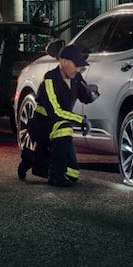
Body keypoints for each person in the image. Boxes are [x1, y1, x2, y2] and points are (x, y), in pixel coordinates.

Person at [18, 44, 98, 187]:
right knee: (64, 127)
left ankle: (33, 158)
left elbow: (85, 97)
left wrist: (92, 93)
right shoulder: (49, 79)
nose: (79, 69)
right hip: (42, 125)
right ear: (64, 62)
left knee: (73, 174)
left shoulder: (76, 78)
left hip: (58, 125)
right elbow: (55, 112)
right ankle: (55, 177)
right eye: (76, 65)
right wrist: (81, 120)